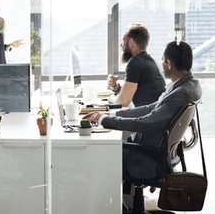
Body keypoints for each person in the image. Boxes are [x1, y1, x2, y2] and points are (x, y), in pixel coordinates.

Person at [85, 41, 201, 196]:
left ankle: (101, 206)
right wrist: (110, 115)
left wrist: (104, 121)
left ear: (169, 63)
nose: (162, 64)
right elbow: (150, 108)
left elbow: (145, 123)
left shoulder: (181, 93)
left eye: (162, 60)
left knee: (99, 152)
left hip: (148, 158)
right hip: (158, 152)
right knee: (108, 146)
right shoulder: (190, 84)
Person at [106, 24, 166, 107]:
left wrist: (111, 99)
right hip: (153, 113)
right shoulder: (149, 61)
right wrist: (115, 87)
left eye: (123, 41)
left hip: (147, 116)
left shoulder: (135, 62)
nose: (121, 45)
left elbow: (123, 101)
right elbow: (130, 91)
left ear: (131, 42)